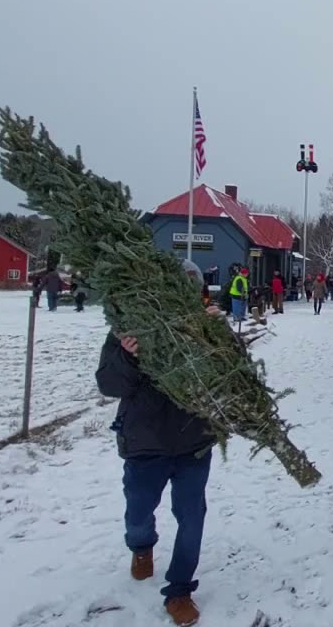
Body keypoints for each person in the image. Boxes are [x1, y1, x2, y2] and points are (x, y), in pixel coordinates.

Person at [96, 259, 218, 626]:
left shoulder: (207, 326)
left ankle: (179, 589)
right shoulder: (130, 328)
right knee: (137, 512)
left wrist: (220, 338)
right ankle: (141, 546)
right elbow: (108, 385)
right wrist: (128, 356)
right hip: (144, 442)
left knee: (192, 517)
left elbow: (230, 381)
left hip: (193, 440)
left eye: (189, 289)